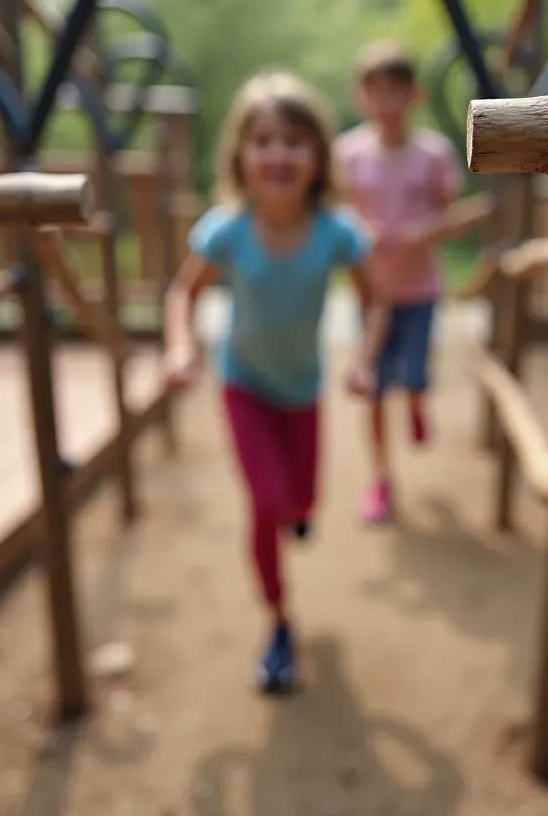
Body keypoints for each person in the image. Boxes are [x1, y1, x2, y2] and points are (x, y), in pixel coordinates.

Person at [163, 69, 388, 695]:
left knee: (300, 502)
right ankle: (279, 624)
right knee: (263, 505)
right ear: (242, 154)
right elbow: (183, 292)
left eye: (294, 141)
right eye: (263, 140)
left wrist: (365, 359)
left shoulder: (336, 232)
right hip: (244, 387)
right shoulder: (227, 229)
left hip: (304, 392)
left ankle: (297, 511)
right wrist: (182, 346)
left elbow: (376, 302)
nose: (278, 153)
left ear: (317, 156)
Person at [335, 39, 465, 525]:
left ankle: (416, 400)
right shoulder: (346, 154)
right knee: (371, 389)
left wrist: (423, 232)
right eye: (376, 92)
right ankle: (382, 479)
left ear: (415, 96)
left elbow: (452, 215)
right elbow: (335, 213)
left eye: (396, 91)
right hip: (372, 297)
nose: (386, 103)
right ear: (360, 97)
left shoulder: (433, 154)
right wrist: (359, 233)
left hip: (421, 290)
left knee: (413, 377)